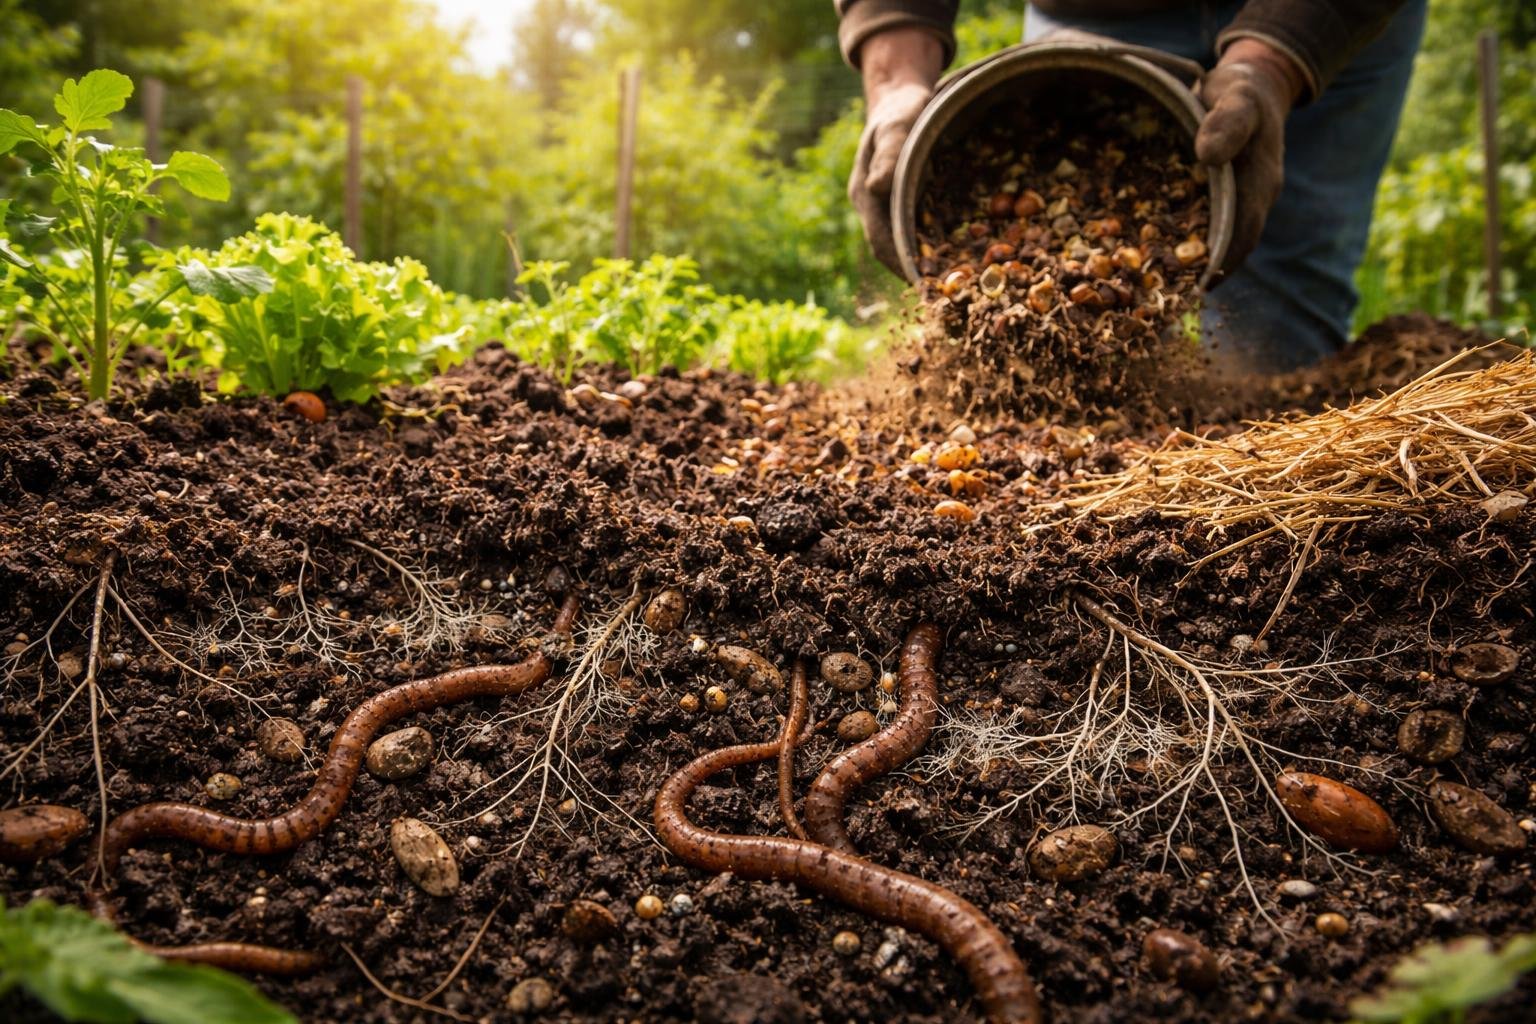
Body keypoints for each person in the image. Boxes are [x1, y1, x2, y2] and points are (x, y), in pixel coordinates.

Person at [836, 0, 1428, 374]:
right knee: (1052, 361)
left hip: (1320, 17)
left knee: (1277, 335)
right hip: (1091, 14)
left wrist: (1273, 67)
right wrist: (895, 84)